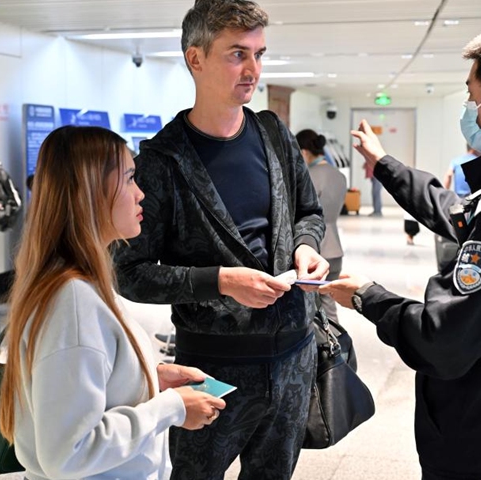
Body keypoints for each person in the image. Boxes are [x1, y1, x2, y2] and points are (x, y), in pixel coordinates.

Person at [322, 24, 481, 479]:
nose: (468, 109)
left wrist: (368, 297)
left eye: (471, 94)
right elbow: (456, 212)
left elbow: (442, 342)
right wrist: (385, 166)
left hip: (479, 444)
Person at [113, 1, 329, 478]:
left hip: (294, 354)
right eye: (237, 54)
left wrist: (306, 247)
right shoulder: (162, 160)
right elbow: (128, 272)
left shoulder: (273, 133)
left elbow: (309, 213)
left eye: (258, 54)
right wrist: (221, 281)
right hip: (215, 366)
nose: (252, 69)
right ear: (196, 59)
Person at [0, 126, 226, 479]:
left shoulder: (76, 284)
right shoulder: (72, 300)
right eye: (130, 178)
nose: (140, 194)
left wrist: (150, 379)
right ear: (90, 192)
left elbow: (85, 385)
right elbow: (68, 452)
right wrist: (171, 408)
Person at [296, 129, 346, 323]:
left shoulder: (308, 176)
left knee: (311, 310)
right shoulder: (339, 176)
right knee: (329, 305)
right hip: (335, 248)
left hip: (313, 250)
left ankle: (322, 350)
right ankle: (336, 346)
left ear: (303, 152)